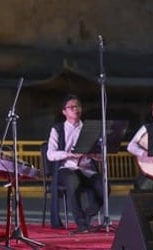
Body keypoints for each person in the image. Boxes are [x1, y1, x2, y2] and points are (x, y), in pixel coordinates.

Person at [46, 94, 105, 232]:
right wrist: (69, 154)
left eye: (77, 106)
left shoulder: (89, 128)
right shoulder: (57, 129)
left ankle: (86, 215)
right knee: (73, 181)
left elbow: (101, 156)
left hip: (86, 169)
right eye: (71, 107)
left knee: (104, 187)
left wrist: (94, 154)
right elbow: (50, 154)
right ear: (64, 112)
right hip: (66, 168)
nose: (75, 109)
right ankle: (82, 224)